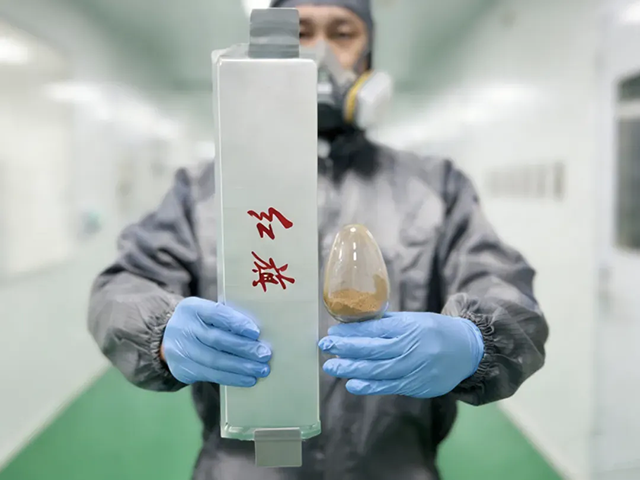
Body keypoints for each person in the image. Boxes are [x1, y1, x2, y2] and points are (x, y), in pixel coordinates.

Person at [88, 1, 549, 479]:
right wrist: (159, 332)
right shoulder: (206, 187)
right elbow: (121, 288)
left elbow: (507, 294)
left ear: (368, 57)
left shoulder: (435, 187)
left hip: (393, 466)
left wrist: (475, 342)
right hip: (245, 466)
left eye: (342, 33)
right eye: (300, 32)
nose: (319, 53)